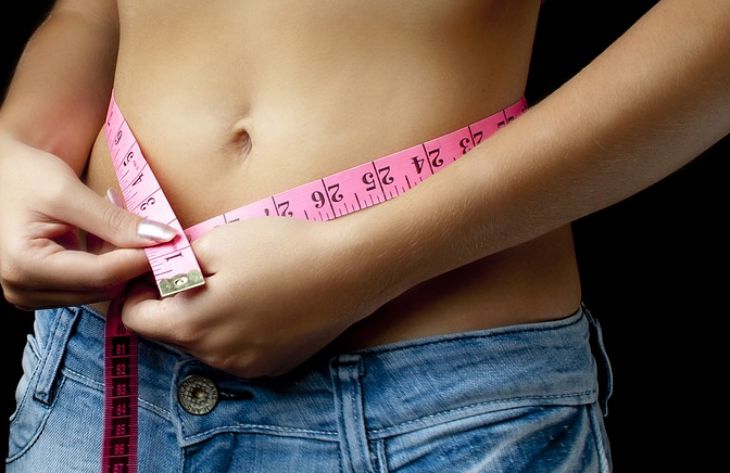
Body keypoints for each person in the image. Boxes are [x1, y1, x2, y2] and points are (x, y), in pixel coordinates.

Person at [0, 0, 728, 471]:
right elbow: (89, 11)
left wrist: (364, 262)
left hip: (439, 405)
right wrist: (17, 152)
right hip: (97, 371)